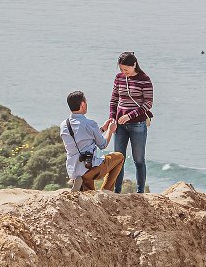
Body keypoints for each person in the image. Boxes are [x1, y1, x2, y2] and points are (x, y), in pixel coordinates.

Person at [60, 91, 125, 192]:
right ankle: (106, 191)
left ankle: (81, 181)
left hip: (74, 169)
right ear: (82, 105)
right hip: (90, 167)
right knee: (119, 157)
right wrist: (110, 131)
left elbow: (83, 138)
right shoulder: (90, 123)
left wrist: (103, 129)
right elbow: (103, 145)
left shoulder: (64, 125)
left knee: (89, 192)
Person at [110, 52, 153, 193]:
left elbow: (148, 104)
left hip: (137, 125)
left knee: (139, 160)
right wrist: (112, 118)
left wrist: (130, 115)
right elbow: (114, 99)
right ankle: (117, 191)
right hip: (120, 125)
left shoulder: (144, 79)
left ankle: (140, 193)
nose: (124, 72)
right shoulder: (119, 78)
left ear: (134, 64)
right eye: (121, 69)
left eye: (126, 69)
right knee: (118, 159)